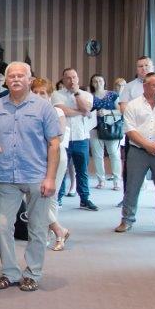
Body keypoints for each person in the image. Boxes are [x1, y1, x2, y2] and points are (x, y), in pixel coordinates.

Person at [0, 62, 61, 291]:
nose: (15, 79)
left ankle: (33, 273)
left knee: (37, 228)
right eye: (11, 76)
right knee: (2, 226)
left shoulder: (44, 107)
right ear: (6, 81)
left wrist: (51, 178)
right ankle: (10, 273)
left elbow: (54, 144)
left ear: (30, 80)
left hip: (36, 175)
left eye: (20, 76)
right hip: (6, 176)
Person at [116, 72, 155, 236]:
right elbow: (130, 130)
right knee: (132, 186)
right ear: (145, 86)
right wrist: (147, 145)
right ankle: (127, 220)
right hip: (138, 151)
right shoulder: (133, 105)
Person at [32, 78, 72, 251]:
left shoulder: (57, 111)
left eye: (42, 93)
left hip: (55, 155)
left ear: (49, 95)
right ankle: (57, 230)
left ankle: (52, 232)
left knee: (50, 196)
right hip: (35, 157)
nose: (38, 95)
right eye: (35, 92)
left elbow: (59, 137)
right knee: (36, 195)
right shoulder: (28, 111)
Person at [52, 68, 98, 211]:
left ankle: (84, 199)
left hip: (81, 137)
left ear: (78, 78)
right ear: (63, 80)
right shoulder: (56, 94)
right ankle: (58, 198)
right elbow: (62, 111)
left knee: (82, 170)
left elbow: (86, 108)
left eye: (74, 77)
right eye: (68, 78)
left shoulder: (87, 95)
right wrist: (81, 111)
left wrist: (77, 94)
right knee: (61, 169)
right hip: (63, 138)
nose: (72, 80)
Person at [88, 74, 122, 191]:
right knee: (97, 155)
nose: (98, 83)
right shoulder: (89, 97)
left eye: (100, 81)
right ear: (92, 83)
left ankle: (117, 181)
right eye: (95, 81)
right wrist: (93, 113)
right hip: (94, 127)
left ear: (104, 82)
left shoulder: (113, 95)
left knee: (114, 154)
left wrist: (107, 112)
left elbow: (121, 111)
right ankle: (101, 180)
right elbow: (86, 112)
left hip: (111, 127)